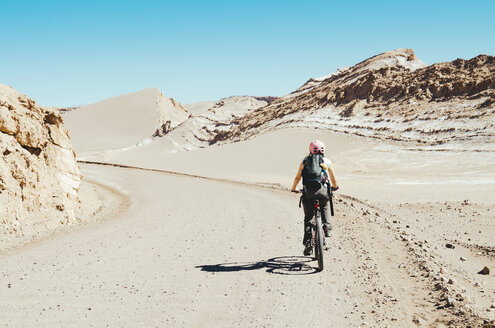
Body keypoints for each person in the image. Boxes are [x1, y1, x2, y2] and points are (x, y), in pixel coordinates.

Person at [291, 140, 339, 256]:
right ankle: (327, 228)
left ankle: (308, 243)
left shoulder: (305, 161)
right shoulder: (327, 161)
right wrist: (335, 187)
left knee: (308, 217)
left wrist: (294, 188)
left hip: (308, 193)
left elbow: (298, 177)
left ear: (310, 150)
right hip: (323, 192)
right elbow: (333, 178)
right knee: (325, 203)